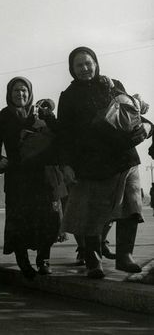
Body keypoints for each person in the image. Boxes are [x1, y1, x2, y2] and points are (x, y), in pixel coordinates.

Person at [58, 46, 153, 279]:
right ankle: (93, 261)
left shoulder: (113, 84)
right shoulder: (68, 96)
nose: (84, 68)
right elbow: (63, 136)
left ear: (96, 63)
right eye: (79, 65)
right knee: (94, 214)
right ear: (72, 69)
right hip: (91, 163)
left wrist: (147, 126)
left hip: (124, 157)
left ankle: (125, 256)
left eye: (88, 63)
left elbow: (131, 114)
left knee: (132, 206)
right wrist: (66, 164)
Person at [0, 77, 65, 279]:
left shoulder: (41, 114)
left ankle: (43, 259)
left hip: (43, 175)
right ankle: (23, 261)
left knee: (49, 218)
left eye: (24, 91)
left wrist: (50, 116)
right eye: (16, 91)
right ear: (9, 94)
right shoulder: (0, 118)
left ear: (30, 93)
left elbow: (60, 136)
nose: (20, 94)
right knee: (20, 222)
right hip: (17, 177)